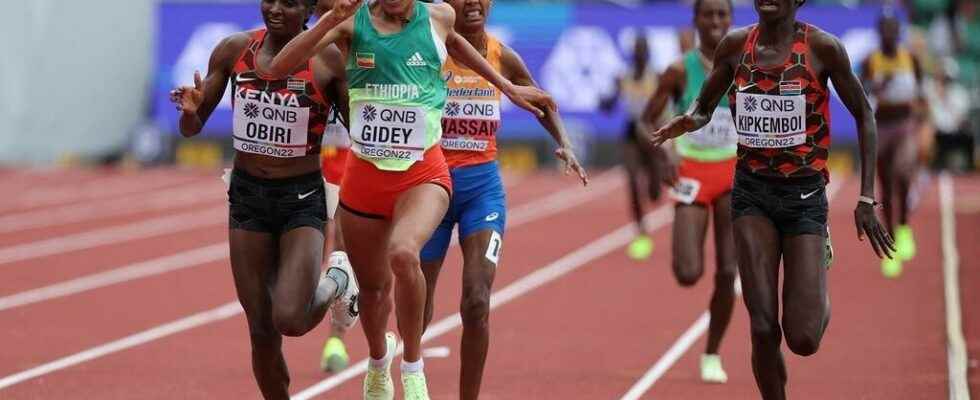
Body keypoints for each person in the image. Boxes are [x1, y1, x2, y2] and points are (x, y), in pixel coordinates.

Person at [260, 0, 555, 397]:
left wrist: (507, 87)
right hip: (364, 179)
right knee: (373, 290)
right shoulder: (350, 22)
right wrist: (330, 19)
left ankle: (412, 366)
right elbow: (276, 69)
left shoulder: (438, 16)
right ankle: (379, 360)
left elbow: (454, 43)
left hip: (424, 175)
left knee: (403, 254)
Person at [650, 0, 895, 397]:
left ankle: (817, 283)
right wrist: (689, 119)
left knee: (803, 339)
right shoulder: (735, 46)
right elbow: (705, 105)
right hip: (751, 195)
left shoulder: (822, 48)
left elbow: (864, 114)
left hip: (804, 196)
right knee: (763, 326)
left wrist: (867, 198)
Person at [168, 0, 358, 398]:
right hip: (248, 199)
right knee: (260, 329)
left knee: (289, 317)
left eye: (288, 3)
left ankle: (337, 280)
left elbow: (361, 130)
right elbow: (192, 126)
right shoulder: (235, 50)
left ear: (307, 10)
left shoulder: (327, 61)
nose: (274, 8)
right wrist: (190, 111)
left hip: (302, 197)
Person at [417, 0, 588, 397]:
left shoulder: (500, 54)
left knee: (476, 301)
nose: (473, 3)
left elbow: (541, 101)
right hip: (431, 187)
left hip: (482, 190)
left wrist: (564, 143)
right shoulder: (428, 50)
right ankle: (408, 373)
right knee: (417, 304)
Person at [641, 0, 736, 384]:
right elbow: (649, 117)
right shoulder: (680, 70)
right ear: (696, 21)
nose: (715, 22)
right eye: (708, 15)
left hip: (734, 172)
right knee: (688, 272)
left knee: (729, 271)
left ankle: (712, 352)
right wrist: (665, 152)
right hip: (691, 171)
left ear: (730, 20)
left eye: (722, 15)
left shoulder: (744, 65)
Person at [311, 0, 358, 374]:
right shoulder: (303, 49)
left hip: (356, 163)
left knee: (342, 249)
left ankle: (336, 339)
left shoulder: (372, 41)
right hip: (314, 163)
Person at [860, 12, 924, 278]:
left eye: (893, 30)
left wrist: (922, 116)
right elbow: (861, 89)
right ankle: (893, 241)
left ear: (898, 32)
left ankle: (905, 225)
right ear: (879, 32)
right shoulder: (870, 61)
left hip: (904, 124)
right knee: (885, 185)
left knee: (903, 171)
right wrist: (876, 85)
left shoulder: (911, 59)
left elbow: (921, 90)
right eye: (884, 30)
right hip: (881, 126)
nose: (889, 34)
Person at [599, 34, 669, 261]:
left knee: (655, 193)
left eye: (642, 50)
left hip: (651, 134)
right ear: (632, 54)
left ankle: (654, 184)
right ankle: (640, 227)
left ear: (647, 54)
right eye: (636, 50)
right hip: (630, 133)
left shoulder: (657, 77)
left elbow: (666, 104)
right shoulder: (623, 78)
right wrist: (605, 102)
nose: (639, 54)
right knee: (631, 179)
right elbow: (610, 104)